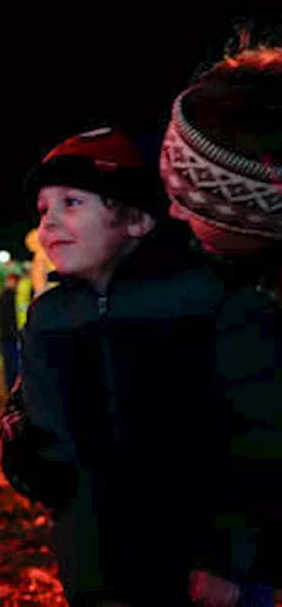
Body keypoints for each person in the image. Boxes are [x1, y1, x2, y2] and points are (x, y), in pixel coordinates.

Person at [6, 126, 225, 606]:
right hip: (91, 562)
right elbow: (36, 419)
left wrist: (225, 561)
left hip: (192, 567)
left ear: (137, 219)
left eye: (72, 203)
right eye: (44, 210)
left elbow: (250, 437)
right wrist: (24, 450)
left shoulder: (199, 301)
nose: (49, 223)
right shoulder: (48, 317)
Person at [161, 46, 282, 607]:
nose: (175, 214)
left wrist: (224, 562)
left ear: (258, 210)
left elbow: (259, 447)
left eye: (195, 201)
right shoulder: (243, 275)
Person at [0, 272, 20, 390]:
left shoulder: (3, 296)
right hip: (10, 336)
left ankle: (11, 386)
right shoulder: (10, 297)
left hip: (7, 336)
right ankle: (13, 386)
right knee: (13, 362)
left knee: (10, 363)